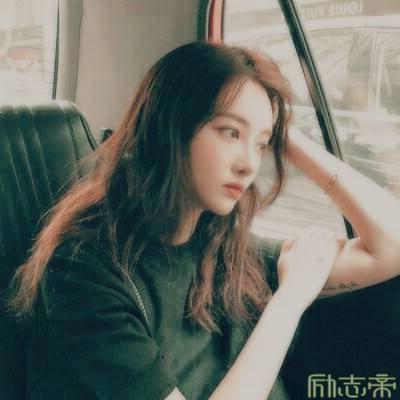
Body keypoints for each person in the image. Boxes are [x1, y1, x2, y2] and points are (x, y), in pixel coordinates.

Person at [7, 41, 400, 400]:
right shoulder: (82, 271)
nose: (249, 164)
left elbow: (392, 246)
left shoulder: (219, 241)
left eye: (261, 145)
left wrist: (285, 135)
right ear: (170, 126)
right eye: (230, 132)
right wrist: (289, 301)